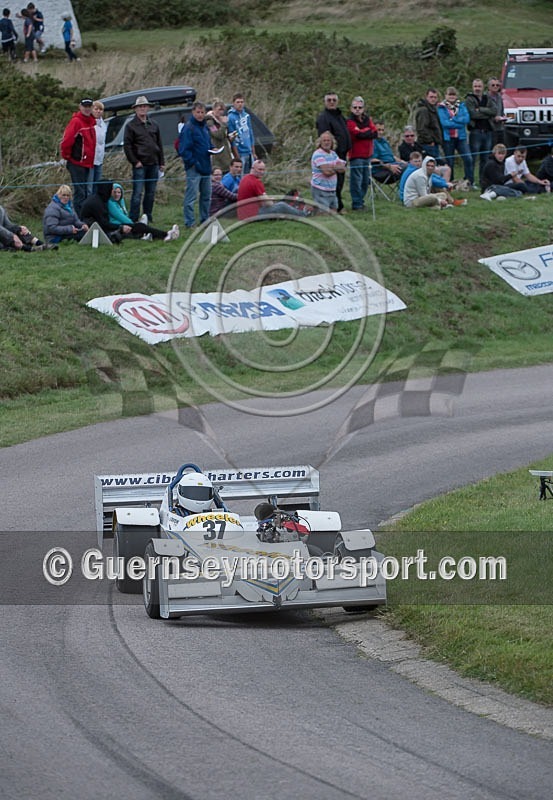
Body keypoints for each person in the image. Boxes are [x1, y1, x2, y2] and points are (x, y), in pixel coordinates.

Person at [123, 95, 165, 223]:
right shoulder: (131, 126)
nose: (142, 109)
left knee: (151, 193)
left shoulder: (154, 124)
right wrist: (135, 162)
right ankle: (134, 218)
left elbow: (159, 144)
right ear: (135, 109)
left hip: (153, 163)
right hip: (140, 164)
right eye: (140, 107)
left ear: (147, 108)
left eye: (144, 106)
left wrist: (161, 162)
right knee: (137, 193)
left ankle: (148, 216)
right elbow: (127, 146)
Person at [178, 101, 212, 229]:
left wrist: (212, 148)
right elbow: (184, 150)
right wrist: (192, 162)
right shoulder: (188, 128)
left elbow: (208, 143)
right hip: (194, 167)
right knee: (191, 196)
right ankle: (190, 222)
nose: (200, 115)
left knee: (206, 195)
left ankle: (205, 219)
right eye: (198, 112)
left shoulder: (204, 127)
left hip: (206, 166)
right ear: (193, 112)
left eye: (202, 112)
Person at [237, 160, 308, 221]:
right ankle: (303, 214)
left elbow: (259, 199)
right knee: (282, 205)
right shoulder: (256, 182)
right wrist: (271, 201)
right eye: (259, 169)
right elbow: (268, 203)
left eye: (263, 170)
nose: (262, 172)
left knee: (279, 203)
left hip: (242, 214)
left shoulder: (245, 178)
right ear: (252, 169)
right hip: (252, 215)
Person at [60, 98, 96, 215]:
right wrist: (67, 156)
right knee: (80, 193)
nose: (87, 109)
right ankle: (79, 218)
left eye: (89, 106)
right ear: (80, 107)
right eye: (85, 106)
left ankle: (83, 216)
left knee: (85, 192)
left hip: (87, 163)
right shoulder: (76, 122)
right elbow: (67, 141)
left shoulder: (91, 121)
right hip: (77, 162)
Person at [316, 92, 351, 212]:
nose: (332, 102)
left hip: (342, 154)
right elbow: (324, 137)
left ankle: (337, 205)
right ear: (325, 102)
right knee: (331, 181)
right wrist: (329, 153)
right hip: (331, 155)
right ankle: (335, 207)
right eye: (329, 100)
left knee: (340, 180)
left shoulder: (340, 116)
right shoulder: (323, 118)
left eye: (334, 100)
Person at [108, 183, 179, 241]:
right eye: (114, 192)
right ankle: (166, 235)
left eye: (119, 192)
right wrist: (133, 224)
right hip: (118, 226)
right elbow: (120, 216)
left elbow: (124, 215)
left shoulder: (121, 201)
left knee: (142, 228)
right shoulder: (110, 203)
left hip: (124, 224)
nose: (117, 194)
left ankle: (161, 236)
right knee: (140, 227)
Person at [346, 95, 378, 211]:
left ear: (363, 108)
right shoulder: (349, 121)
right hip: (356, 155)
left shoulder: (367, 120)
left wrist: (364, 131)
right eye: (355, 107)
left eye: (360, 107)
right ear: (351, 108)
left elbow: (375, 133)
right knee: (356, 181)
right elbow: (357, 134)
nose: (357, 109)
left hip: (368, 155)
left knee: (365, 181)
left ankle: (361, 201)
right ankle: (356, 203)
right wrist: (366, 131)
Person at [437, 87, 473, 185]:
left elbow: (466, 119)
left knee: (468, 158)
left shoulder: (462, 106)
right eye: (450, 95)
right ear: (446, 96)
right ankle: (450, 182)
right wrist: (458, 122)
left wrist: (453, 120)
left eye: (453, 95)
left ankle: (469, 180)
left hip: (461, 137)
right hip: (448, 138)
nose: (452, 97)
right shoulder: (441, 107)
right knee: (450, 161)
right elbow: (444, 123)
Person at [465, 78, 495, 188]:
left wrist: (480, 110)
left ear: (483, 87)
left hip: (487, 132)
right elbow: (472, 114)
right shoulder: (469, 99)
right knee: (472, 158)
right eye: (475, 86)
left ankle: (483, 181)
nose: (477, 88)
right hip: (475, 132)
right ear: (473, 87)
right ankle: (470, 182)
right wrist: (487, 113)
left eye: (479, 86)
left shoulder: (488, 98)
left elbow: (494, 111)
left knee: (485, 159)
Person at [310, 131, 346, 212]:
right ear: (320, 142)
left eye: (328, 140)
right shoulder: (318, 154)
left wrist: (332, 167)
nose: (326, 142)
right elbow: (327, 173)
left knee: (334, 212)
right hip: (320, 189)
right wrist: (336, 168)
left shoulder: (333, 154)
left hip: (332, 189)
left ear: (332, 142)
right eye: (324, 140)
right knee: (323, 214)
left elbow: (343, 169)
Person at [227, 93, 257, 175]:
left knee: (250, 175)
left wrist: (253, 152)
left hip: (249, 151)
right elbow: (232, 138)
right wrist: (237, 156)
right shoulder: (231, 117)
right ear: (233, 103)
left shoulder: (246, 116)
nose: (240, 104)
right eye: (238, 102)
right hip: (240, 151)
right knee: (241, 175)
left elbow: (250, 133)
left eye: (242, 102)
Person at [205, 100, 235, 173]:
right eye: (219, 109)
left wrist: (230, 137)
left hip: (226, 154)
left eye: (222, 110)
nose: (221, 112)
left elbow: (224, 135)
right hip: (217, 156)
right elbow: (218, 135)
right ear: (214, 109)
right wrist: (224, 124)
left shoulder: (221, 120)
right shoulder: (210, 122)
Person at [414, 87, 443, 161]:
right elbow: (421, 128)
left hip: (434, 143)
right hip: (427, 144)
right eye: (431, 97)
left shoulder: (433, 109)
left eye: (435, 97)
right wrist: (430, 141)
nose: (433, 99)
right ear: (426, 97)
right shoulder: (424, 110)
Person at [89, 100, 107, 194]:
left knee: (97, 185)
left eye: (101, 109)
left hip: (99, 159)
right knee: (89, 186)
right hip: (90, 160)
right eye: (96, 109)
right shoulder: (89, 123)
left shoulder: (103, 124)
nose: (98, 111)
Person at [487, 77, 506, 146]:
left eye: (497, 85)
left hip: (500, 128)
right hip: (490, 128)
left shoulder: (500, 97)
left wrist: (503, 117)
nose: (495, 87)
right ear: (489, 87)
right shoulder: (485, 97)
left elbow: (501, 110)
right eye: (493, 85)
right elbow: (483, 112)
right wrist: (493, 118)